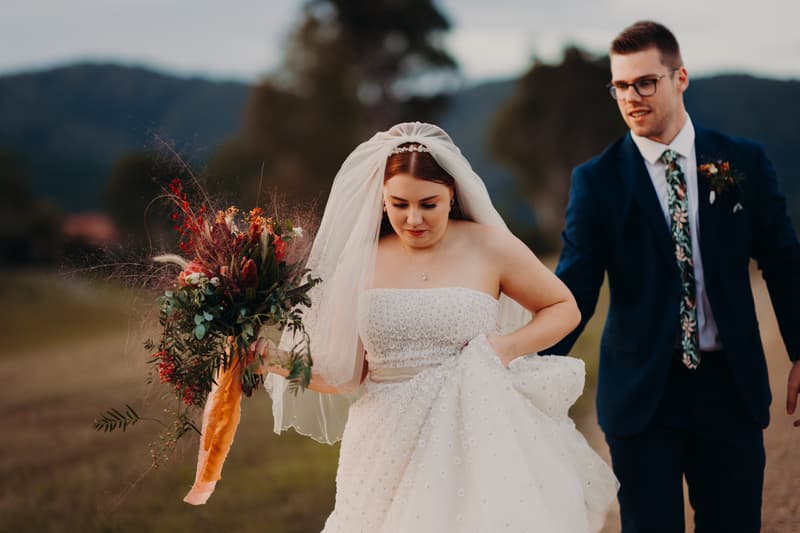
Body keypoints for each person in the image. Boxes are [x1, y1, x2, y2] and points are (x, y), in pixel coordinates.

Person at [264, 122, 617, 532]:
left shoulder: (489, 246)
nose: (413, 218)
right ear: (380, 200)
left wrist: (504, 348)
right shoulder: (361, 260)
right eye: (398, 204)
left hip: (478, 434)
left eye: (428, 204)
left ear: (452, 194)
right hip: (384, 447)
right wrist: (269, 359)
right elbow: (345, 374)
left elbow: (563, 308)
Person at [548, 20, 800, 533]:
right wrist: (529, 367)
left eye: (645, 82)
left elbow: (781, 257)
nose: (631, 97)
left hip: (730, 388)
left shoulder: (741, 160)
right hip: (642, 398)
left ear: (680, 77)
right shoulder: (596, 182)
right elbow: (576, 286)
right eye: (620, 85)